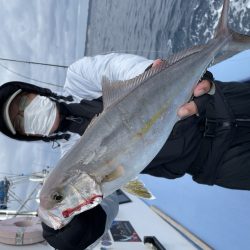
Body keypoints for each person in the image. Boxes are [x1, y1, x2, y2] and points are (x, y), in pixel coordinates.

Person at [0, 53, 249, 249]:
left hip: (220, 100)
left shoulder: (80, 78)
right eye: (19, 122)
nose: (27, 115)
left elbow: (122, 69)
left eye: (23, 104)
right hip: (218, 163)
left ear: (34, 91)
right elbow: (106, 203)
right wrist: (83, 230)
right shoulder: (68, 159)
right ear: (26, 135)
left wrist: (153, 77)